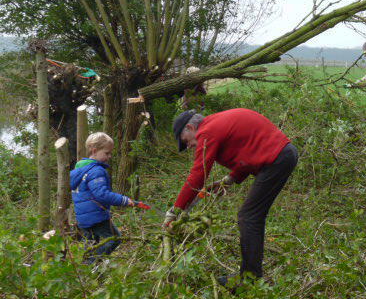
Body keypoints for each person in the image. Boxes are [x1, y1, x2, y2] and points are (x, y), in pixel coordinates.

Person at [164, 108, 298, 286]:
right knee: (251, 216)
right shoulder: (215, 125)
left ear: (190, 127)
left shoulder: (207, 131)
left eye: (186, 141)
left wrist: (175, 210)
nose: (189, 146)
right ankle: (250, 275)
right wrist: (230, 179)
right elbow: (248, 151)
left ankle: (249, 279)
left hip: (277, 159)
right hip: (281, 156)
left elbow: (198, 175)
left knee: (249, 217)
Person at [70, 132, 144, 264]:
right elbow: (102, 194)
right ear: (94, 150)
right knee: (114, 239)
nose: (109, 156)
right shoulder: (96, 170)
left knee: (92, 244)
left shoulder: (79, 170)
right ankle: (89, 265)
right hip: (96, 217)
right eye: (106, 153)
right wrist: (124, 200)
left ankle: (89, 273)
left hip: (83, 218)